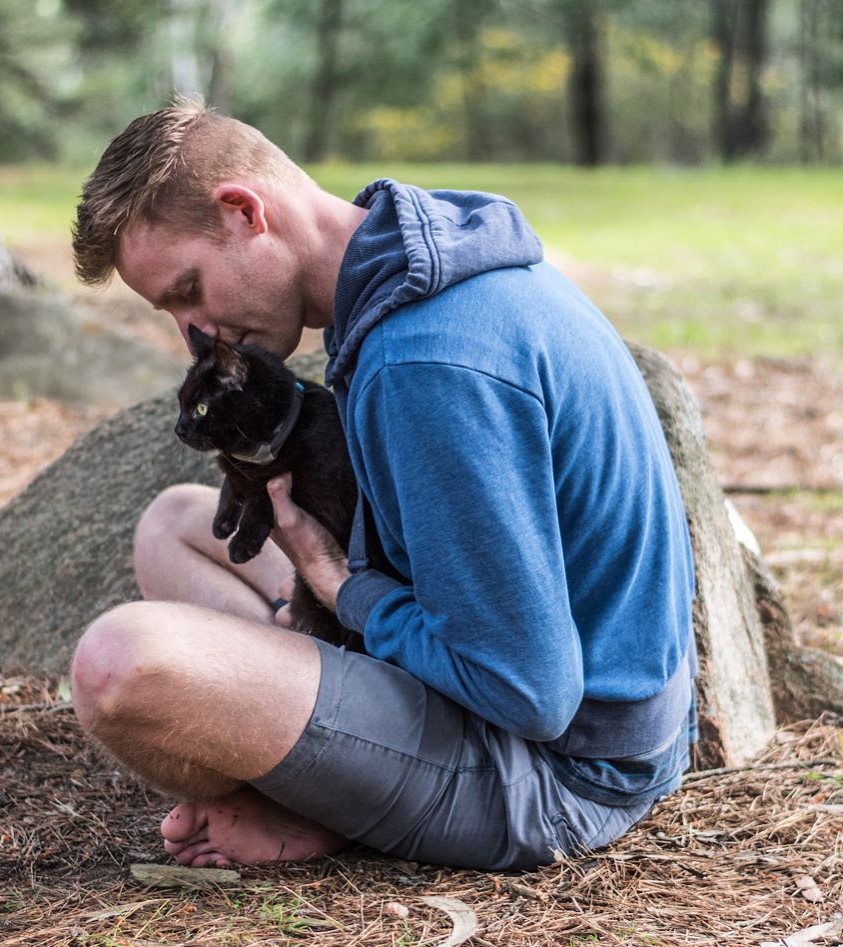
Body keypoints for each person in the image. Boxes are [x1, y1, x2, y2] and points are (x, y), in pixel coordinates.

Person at [69, 100, 697, 872]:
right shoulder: (414, 261)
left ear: (242, 211)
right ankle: (323, 748)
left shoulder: (427, 361)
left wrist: (342, 591)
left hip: (561, 773)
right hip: (574, 705)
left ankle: (320, 792)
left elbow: (529, 691)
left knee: (118, 666)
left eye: (189, 290)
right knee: (175, 526)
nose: (195, 336)